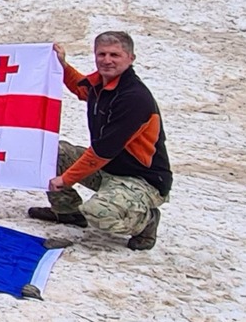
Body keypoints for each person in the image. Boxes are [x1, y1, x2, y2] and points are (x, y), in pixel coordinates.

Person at [28, 30, 170, 251]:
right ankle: (67, 212)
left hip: (141, 179)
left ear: (131, 58)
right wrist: (62, 66)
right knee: (51, 152)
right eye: (101, 54)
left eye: (115, 55)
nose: (107, 60)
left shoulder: (134, 98)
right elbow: (80, 87)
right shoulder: (100, 83)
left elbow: (102, 151)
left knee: (98, 213)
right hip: (108, 168)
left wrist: (65, 180)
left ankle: (146, 221)